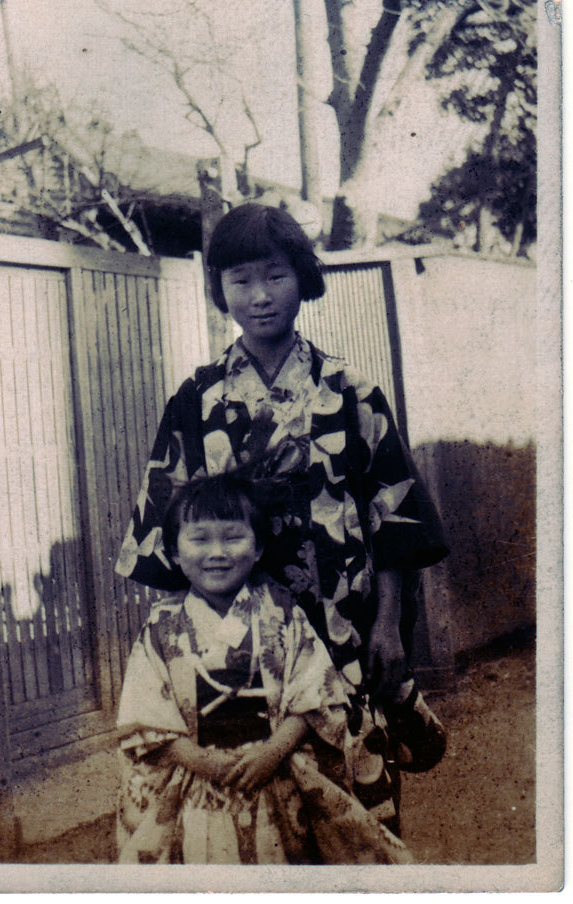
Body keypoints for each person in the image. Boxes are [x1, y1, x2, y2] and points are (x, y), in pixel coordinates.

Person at [116, 201, 449, 834]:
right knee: (256, 825)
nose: (259, 296)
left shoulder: (351, 394)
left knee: (357, 820)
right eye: (239, 280)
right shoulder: (197, 399)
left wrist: (386, 627)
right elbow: (166, 542)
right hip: (234, 661)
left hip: (342, 633)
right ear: (219, 289)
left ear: (302, 278)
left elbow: (396, 526)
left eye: (275, 275)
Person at [115, 472, 413, 864]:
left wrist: (273, 751)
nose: (217, 552)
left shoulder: (283, 616)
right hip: (196, 784)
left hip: (276, 775)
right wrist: (203, 762)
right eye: (199, 539)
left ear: (257, 548)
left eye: (232, 537)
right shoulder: (160, 628)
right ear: (174, 551)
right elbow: (145, 718)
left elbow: (316, 694)